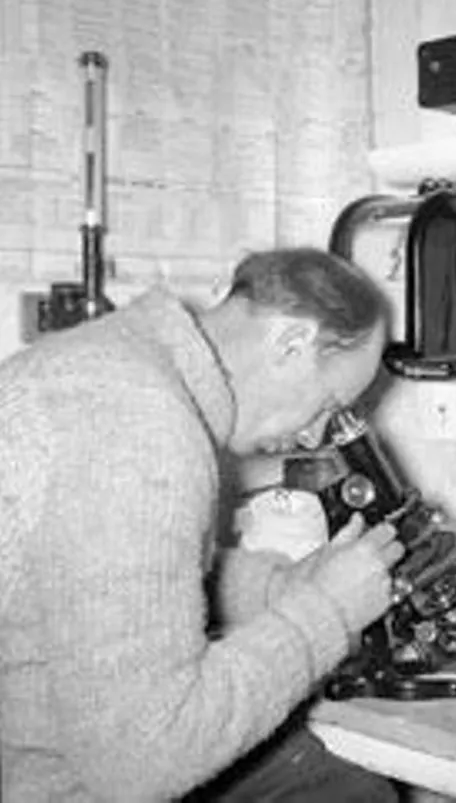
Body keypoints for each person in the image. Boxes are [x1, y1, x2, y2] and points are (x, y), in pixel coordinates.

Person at [0, 247, 407, 802]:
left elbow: (110, 575)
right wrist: (328, 612)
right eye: (326, 403)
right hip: (46, 783)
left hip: (47, 744)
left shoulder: (110, 362)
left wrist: (279, 588)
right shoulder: (143, 426)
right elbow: (144, 757)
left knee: (328, 780)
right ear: (292, 343)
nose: (314, 437)